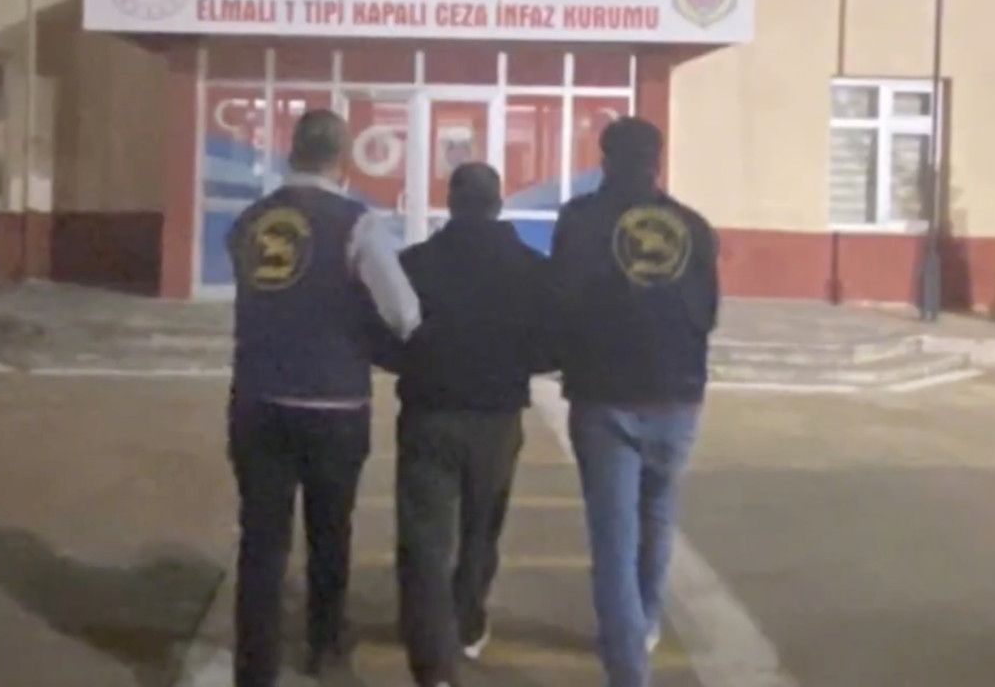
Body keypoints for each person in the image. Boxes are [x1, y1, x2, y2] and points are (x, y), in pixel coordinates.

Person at [225, 109, 421, 687]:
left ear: (293, 151)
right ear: (342, 158)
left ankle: (254, 667)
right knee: (329, 533)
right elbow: (404, 313)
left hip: (257, 400)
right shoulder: (357, 225)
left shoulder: (249, 222)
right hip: (333, 403)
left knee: (261, 540)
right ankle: (325, 646)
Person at [550, 117, 719, 687]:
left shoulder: (580, 221)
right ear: (657, 162)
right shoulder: (693, 227)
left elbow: (561, 302)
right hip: (678, 396)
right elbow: (708, 315)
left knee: (613, 538)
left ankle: (628, 669)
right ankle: (643, 623)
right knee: (658, 516)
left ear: (604, 160)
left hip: (604, 396)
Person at [389, 162, 556, 687]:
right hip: (497, 417)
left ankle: (432, 665)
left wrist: (416, 365)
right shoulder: (531, 268)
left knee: (424, 540)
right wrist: (516, 365)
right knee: (481, 528)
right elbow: (553, 343)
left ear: (451, 202)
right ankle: (467, 622)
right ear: (499, 204)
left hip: (429, 413)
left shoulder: (415, 264)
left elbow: (385, 333)